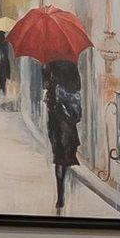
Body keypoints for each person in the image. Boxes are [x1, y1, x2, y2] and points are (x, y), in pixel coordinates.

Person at [44, 59, 82, 212]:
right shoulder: (72, 65)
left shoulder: (50, 64)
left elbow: (45, 85)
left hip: (56, 116)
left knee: (58, 155)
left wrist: (54, 84)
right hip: (67, 117)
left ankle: (60, 194)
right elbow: (77, 86)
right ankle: (61, 190)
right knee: (65, 154)